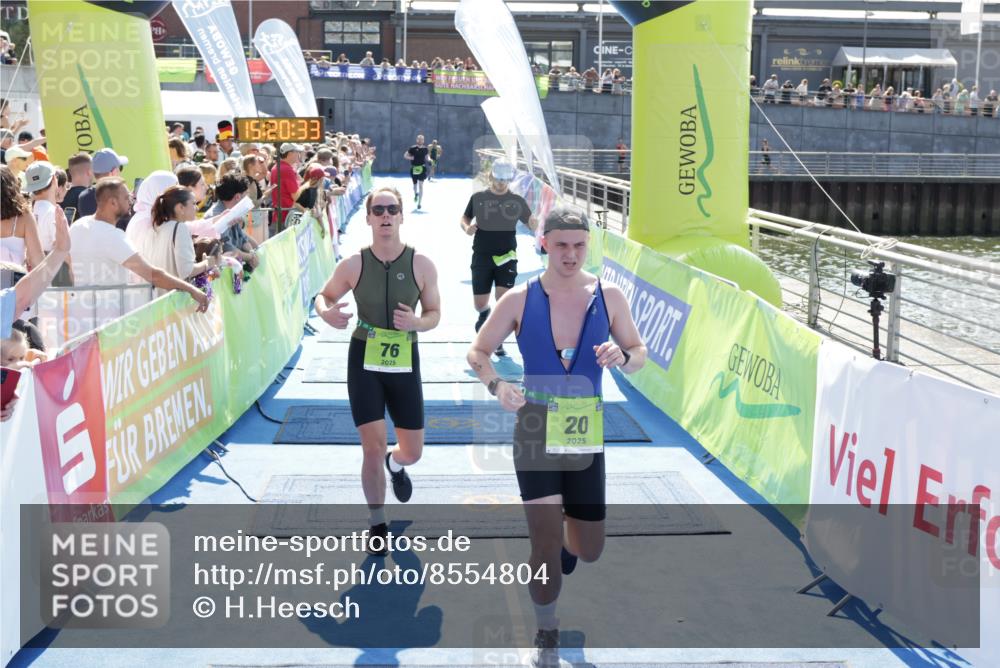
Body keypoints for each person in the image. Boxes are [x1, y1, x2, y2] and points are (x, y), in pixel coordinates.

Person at [466, 208, 646, 668]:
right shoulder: (520, 298)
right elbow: (478, 351)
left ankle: (571, 543)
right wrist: (498, 385)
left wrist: (623, 356)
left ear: (589, 245)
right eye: (561, 245)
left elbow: (639, 351)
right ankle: (546, 631)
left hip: (586, 432)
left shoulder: (609, 295)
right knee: (543, 543)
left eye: (579, 245)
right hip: (535, 428)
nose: (570, 254)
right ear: (544, 243)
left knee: (589, 550)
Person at [314, 186, 441, 555]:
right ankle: (377, 523)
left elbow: (434, 314)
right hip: (364, 358)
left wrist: (417, 323)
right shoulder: (354, 264)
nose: (386, 216)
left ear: (401, 215)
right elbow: (324, 295)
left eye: (392, 209)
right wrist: (326, 313)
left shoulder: (422, 264)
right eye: (379, 210)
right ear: (368, 217)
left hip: (404, 360)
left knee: (412, 451)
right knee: (372, 446)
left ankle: (396, 464)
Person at [69, 177, 209, 311]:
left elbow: (69, 269)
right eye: (126, 198)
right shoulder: (112, 236)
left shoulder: (77, 226)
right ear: (113, 203)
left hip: (81, 311)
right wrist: (192, 290)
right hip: (109, 316)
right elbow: (153, 275)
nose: (131, 201)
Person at [461, 158, 536, 356]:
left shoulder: (517, 201)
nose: (502, 183)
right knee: (480, 304)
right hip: (482, 256)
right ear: (491, 176)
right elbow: (465, 218)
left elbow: (531, 223)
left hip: (507, 257)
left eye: (505, 179)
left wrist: (536, 221)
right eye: (498, 178)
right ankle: (484, 315)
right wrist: (467, 228)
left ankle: (496, 340)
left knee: (503, 302)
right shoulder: (478, 198)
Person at [140, 185, 219, 296]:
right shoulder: (180, 228)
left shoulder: (156, 227)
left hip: (159, 299)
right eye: (193, 203)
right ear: (180, 208)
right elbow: (186, 271)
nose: (197, 208)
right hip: (177, 300)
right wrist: (207, 263)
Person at [77, 147, 128, 219]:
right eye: (120, 168)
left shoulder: (83, 197)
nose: (120, 172)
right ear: (113, 172)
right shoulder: (119, 198)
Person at [403, 134, 430, 210]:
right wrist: (411, 157)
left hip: (422, 168)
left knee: (421, 185)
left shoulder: (425, 149)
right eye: (419, 139)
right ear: (417, 140)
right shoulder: (412, 148)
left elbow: (427, 157)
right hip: (414, 169)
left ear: (423, 140)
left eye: (422, 139)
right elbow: (405, 155)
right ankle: (416, 194)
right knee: (415, 185)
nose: (420, 140)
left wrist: (430, 160)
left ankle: (419, 203)